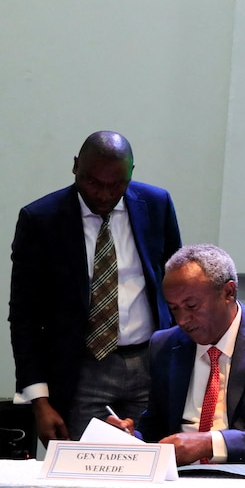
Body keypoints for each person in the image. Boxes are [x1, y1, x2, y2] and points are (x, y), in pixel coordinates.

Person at [9, 131, 182, 443]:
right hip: (81, 371)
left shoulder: (156, 205)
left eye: (116, 185)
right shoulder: (41, 219)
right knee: (81, 478)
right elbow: (25, 318)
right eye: (92, 182)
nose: (103, 194)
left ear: (131, 174)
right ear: (76, 167)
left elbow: (176, 291)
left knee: (152, 473)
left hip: (150, 365)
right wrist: (40, 400)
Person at [109, 244, 245, 468]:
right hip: (183, 478)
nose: (182, 320)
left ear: (228, 293)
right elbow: (156, 429)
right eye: (174, 309)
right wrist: (133, 440)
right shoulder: (165, 344)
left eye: (191, 306)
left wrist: (209, 443)